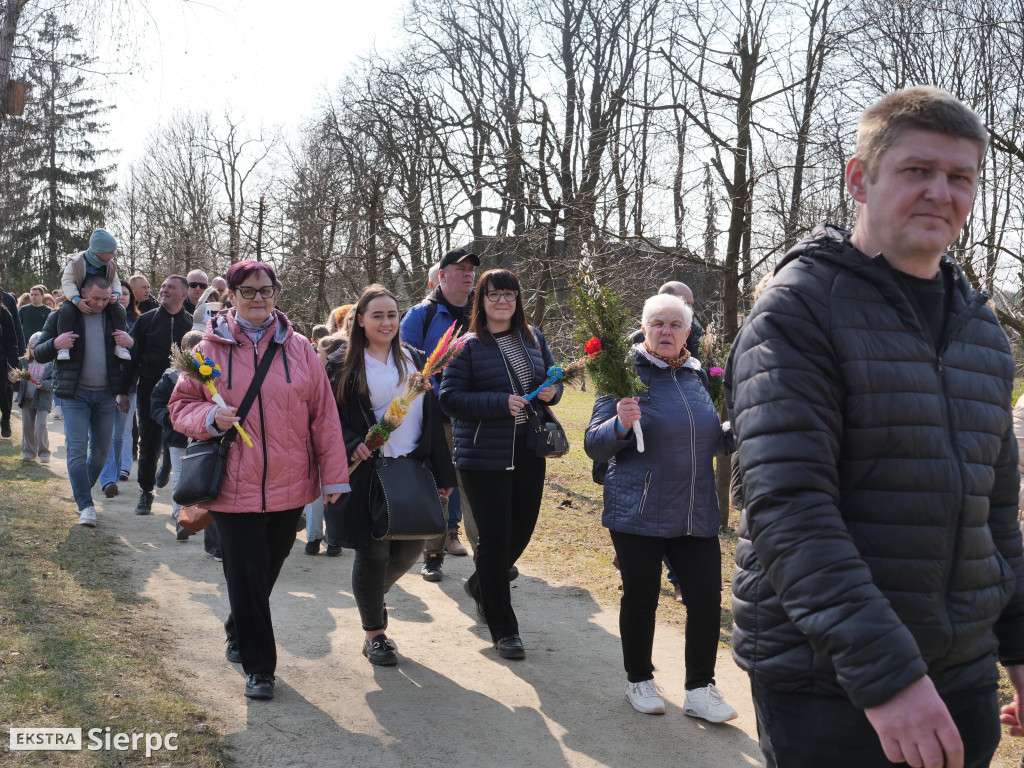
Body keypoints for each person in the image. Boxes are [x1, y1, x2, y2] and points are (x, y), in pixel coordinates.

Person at [726, 86, 1024, 768]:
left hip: (960, 678)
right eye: (917, 171)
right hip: (830, 682)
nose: (940, 194)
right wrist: (891, 679)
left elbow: (996, 516)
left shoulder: (981, 331)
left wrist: (1020, 651)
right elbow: (788, 511)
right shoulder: (797, 311)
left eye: (959, 178)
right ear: (861, 179)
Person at [168, 260, 349, 701]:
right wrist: (211, 416)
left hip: (290, 483)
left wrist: (335, 478)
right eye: (247, 291)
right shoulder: (207, 350)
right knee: (247, 572)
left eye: (266, 290)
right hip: (232, 484)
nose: (258, 298)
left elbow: (324, 416)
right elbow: (180, 408)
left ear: (276, 293)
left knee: (266, 568)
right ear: (230, 295)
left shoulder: (301, 348)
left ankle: (237, 624)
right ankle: (260, 667)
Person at [584, 293, 738, 721]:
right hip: (639, 508)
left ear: (688, 333)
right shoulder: (623, 374)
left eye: (675, 325)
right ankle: (640, 679)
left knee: (706, 599)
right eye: (658, 324)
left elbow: (710, 439)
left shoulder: (696, 376)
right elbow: (594, 446)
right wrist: (619, 423)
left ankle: (700, 689)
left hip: (695, 509)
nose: (666, 332)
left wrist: (739, 428)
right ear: (645, 329)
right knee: (641, 596)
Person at [325, 284, 456, 664]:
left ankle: (370, 596)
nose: (386, 321)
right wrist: (353, 442)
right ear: (360, 321)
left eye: (392, 315)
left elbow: (431, 422)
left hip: (413, 468)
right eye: (377, 315)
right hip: (368, 470)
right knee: (374, 549)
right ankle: (375, 634)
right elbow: (329, 418)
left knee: (411, 546)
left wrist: (443, 472)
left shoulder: (415, 358)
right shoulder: (342, 363)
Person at [439, 268, 562, 660]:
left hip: (529, 449)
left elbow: (552, 383)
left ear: (518, 299)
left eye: (509, 294)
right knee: (493, 539)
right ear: (482, 300)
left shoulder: (534, 337)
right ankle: (504, 628)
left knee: (520, 533)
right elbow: (449, 398)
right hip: (482, 455)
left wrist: (552, 392)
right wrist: (498, 404)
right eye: (493, 295)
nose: (502, 302)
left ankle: (481, 585)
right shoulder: (466, 345)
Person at [401, 247, 479, 581]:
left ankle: (486, 557)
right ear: (442, 275)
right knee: (439, 485)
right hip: (438, 414)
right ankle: (432, 556)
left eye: (471, 269)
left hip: (478, 415)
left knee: (477, 486)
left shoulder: (484, 310)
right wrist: (429, 383)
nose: (468, 274)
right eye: (459, 269)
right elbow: (404, 358)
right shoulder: (422, 314)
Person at [34, 275, 132, 527]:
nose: (99, 303)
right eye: (94, 298)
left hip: (106, 395)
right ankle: (86, 506)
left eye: (104, 298)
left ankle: (81, 491)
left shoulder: (114, 315)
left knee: (100, 454)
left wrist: (131, 343)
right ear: (82, 293)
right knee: (76, 450)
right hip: (75, 395)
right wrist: (56, 343)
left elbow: (128, 356)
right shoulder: (62, 315)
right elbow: (38, 351)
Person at [122, 275, 192, 515]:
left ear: (184, 294)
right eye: (162, 287)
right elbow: (132, 359)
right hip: (150, 389)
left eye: (170, 288)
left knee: (182, 440)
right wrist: (123, 390)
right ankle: (146, 492)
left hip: (184, 392)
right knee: (149, 440)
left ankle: (174, 477)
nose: (163, 290)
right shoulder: (146, 321)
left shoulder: (191, 325)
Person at [151, 329, 204, 540]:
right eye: (192, 352)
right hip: (176, 436)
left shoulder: (211, 374)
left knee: (199, 478)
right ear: (183, 352)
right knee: (180, 476)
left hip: (202, 437)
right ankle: (179, 515)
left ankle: (198, 514)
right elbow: (156, 403)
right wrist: (169, 420)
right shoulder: (171, 377)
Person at [55, 228, 132, 363]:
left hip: (104, 297)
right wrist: (76, 299)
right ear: (100, 252)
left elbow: (115, 281)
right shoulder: (76, 262)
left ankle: (120, 345)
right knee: (66, 311)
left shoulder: (110, 264)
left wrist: (115, 294)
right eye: (111, 253)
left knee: (119, 310)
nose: (113, 256)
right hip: (76, 297)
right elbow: (67, 282)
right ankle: (64, 347)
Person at [99, 291, 142, 498]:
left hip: (129, 386)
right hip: (101, 385)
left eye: (126, 293)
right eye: (119, 293)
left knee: (121, 432)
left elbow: (139, 356)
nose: (122, 296)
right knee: (101, 433)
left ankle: (119, 470)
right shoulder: (101, 317)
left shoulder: (138, 322)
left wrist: (131, 343)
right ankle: (106, 477)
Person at [8, 332, 54, 462]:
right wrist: (15, 378)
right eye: (32, 348)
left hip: (43, 398)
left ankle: (44, 452)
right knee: (27, 425)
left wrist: (43, 385)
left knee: (42, 425)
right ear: (29, 348)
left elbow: (55, 381)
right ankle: (29, 451)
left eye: (38, 347)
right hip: (27, 397)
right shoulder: (24, 361)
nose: (35, 351)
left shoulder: (50, 362)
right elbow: (20, 376)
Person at [0, 271, 26, 438]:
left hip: (2, 360)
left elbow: (13, 339)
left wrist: (14, 366)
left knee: (5, 391)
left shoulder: (5, 313)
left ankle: (6, 419)